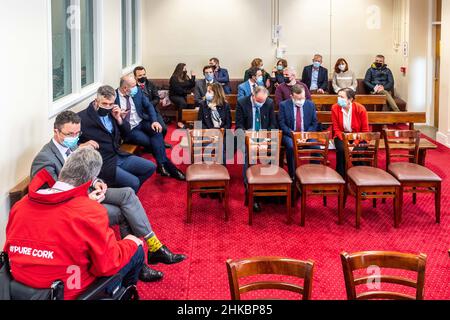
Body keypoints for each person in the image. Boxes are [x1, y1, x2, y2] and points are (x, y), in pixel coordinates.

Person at [30, 111, 186, 283]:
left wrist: (96, 181)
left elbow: (85, 171)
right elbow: (51, 198)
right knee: (124, 213)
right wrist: (87, 200)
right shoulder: (45, 159)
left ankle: (154, 246)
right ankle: (141, 263)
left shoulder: (71, 146)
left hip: (88, 192)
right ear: (56, 132)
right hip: (74, 205)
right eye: (69, 134)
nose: (74, 138)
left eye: (77, 134)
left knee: (127, 193)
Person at [5, 147, 145, 300]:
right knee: (136, 250)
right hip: (68, 291)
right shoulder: (90, 211)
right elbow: (107, 265)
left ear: (63, 171)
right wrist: (130, 243)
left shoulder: (21, 205)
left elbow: (10, 250)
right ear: (91, 179)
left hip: (19, 287)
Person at [78, 86, 156, 193]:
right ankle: (126, 195)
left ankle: (125, 193)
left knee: (150, 167)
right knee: (134, 182)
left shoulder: (112, 112)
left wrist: (119, 119)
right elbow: (70, 143)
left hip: (117, 155)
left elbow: (127, 134)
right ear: (96, 101)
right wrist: (81, 145)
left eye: (111, 104)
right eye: (104, 104)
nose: (108, 107)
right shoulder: (82, 118)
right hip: (102, 162)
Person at [115, 75, 185, 181]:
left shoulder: (136, 91)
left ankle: (161, 165)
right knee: (153, 144)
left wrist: (154, 121)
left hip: (142, 121)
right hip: (130, 129)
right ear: (125, 88)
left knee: (157, 131)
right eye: (133, 85)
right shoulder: (114, 98)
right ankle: (170, 168)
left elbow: (149, 106)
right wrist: (119, 116)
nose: (137, 87)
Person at [236, 86, 278, 212]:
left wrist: (266, 138)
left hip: (264, 136)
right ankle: (249, 188)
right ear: (253, 96)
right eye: (258, 101)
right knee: (250, 154)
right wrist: (250, 139)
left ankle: (267, 188)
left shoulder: (269, 103)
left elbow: (272, 124)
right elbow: (239, 126)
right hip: (247, 136)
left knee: (272, 153)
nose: (261, 104)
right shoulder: (242, 102)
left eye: (263, 102)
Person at [278, 85, 319, 179]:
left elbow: (314, 123)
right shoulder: (284, 105)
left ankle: (314, 173)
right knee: (291, 147)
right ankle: (293, 175)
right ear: (292, 96)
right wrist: (294, 135)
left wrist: (306, 135)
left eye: (303, 98)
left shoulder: (310, 104)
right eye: (298, 98)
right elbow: (282, 123)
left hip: (306, 134)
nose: (301, 100)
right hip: (290, 134)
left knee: (317, 146)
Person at [332, 88, 370, 178]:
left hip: (359, 136)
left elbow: (365, 131)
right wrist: (346, 142)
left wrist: (354, 144)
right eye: (338, 96)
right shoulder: (335, 108)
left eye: (342, 97)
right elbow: (336, 129)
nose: (339, 99)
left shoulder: (360, 109)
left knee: (357, 152)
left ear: (350, 99)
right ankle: (341, 177)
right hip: (342, 136)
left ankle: (361, 178)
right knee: (341, 150)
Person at [133, 66, 171, 148]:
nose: (142, 77)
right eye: (140, 75)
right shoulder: (133, 87)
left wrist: (148, 105)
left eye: (144, 74)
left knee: (163, 129)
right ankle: (151, 146)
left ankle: (161, 142)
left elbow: (156, 98)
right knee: (150, 129)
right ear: (135, 77)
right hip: (141, 113)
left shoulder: (151, 84)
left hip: (153, 110)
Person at [169, 63, 196, 128]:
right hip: (175, 95)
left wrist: (193, 77)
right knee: (183, 103)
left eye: (186, 69)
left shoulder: (186, 77)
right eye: (184, 68)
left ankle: (189, 121)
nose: (185, 70)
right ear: (179, 69)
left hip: (184, 94)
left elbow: (191, 85)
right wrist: (189, 92)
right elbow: (178, 90)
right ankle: (180, 122)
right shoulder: (174, 78)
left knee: (192, 101)